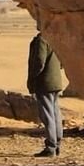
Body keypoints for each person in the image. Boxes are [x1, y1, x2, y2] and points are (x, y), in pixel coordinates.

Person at [27, 29, 64, 158]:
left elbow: (39, 62)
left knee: (48, 116)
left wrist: (32, 79)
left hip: (44, 83)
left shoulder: (42, 40)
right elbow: (62, 62)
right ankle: (57, 145)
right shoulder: (56, 39)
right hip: (56, 82)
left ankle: (51, 147)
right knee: (55, 114)